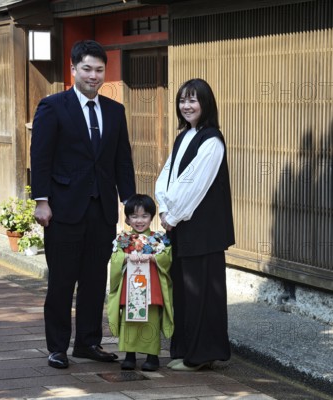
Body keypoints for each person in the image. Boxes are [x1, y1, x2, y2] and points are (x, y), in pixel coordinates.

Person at [31, 40, 136, 369]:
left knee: (94, 280)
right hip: (62, 209)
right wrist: (41, 201)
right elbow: (41, 157)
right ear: (73, 69)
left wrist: (131, 206)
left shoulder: (115, 111)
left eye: (99, 70)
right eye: (87, 69)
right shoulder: (53, 106)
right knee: (62, 281)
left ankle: (88, 343)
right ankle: (57, 347)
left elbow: (123, 161)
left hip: (101, 209)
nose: (94, 75)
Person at [154, 78, 235, 371]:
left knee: (202, 294)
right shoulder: (184, 136)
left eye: (193, 100)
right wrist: (163, 208)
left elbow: (195, 185)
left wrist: (171, 216)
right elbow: (167, 176)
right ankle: (186, 350)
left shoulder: (211, 140)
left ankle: (202, 355)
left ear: (206, 104)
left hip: (203, 232)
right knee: (185, 293)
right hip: (181, 226)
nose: (186, 106)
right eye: (182, 101)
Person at [107, 194, 173, 372]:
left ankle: (152, 356)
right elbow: (115, 258)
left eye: (144, 216)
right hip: (131, 289)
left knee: (151, 319)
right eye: (134, 216)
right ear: (127, 219)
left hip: (151, 288)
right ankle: (130, 355)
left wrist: (153, 257)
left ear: (152, 217)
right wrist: (126, 256)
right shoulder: (124, 239)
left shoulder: (158, 238)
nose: (139, 220)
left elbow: (166, 257)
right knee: (129, 321)